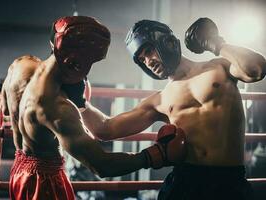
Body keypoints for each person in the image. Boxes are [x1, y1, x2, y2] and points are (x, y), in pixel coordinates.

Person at [1, 16, 187, 200]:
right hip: (45, 182)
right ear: (73, 62)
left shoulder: (21, 66)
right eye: (90, 62)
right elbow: (102, 165)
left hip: (19, 171)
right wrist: (155, 155)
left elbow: (6, 109)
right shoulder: (59, 110)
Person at [80, 18, 266, 200]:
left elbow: (257, 68)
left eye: (148, 51)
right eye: (142, 60)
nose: (148, 62)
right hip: (186, 182)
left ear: (167, 42)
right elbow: (106, 129)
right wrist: (78, 99)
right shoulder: (159, 100)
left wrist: (216, 43)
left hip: (230, 181)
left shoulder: (218, 67)